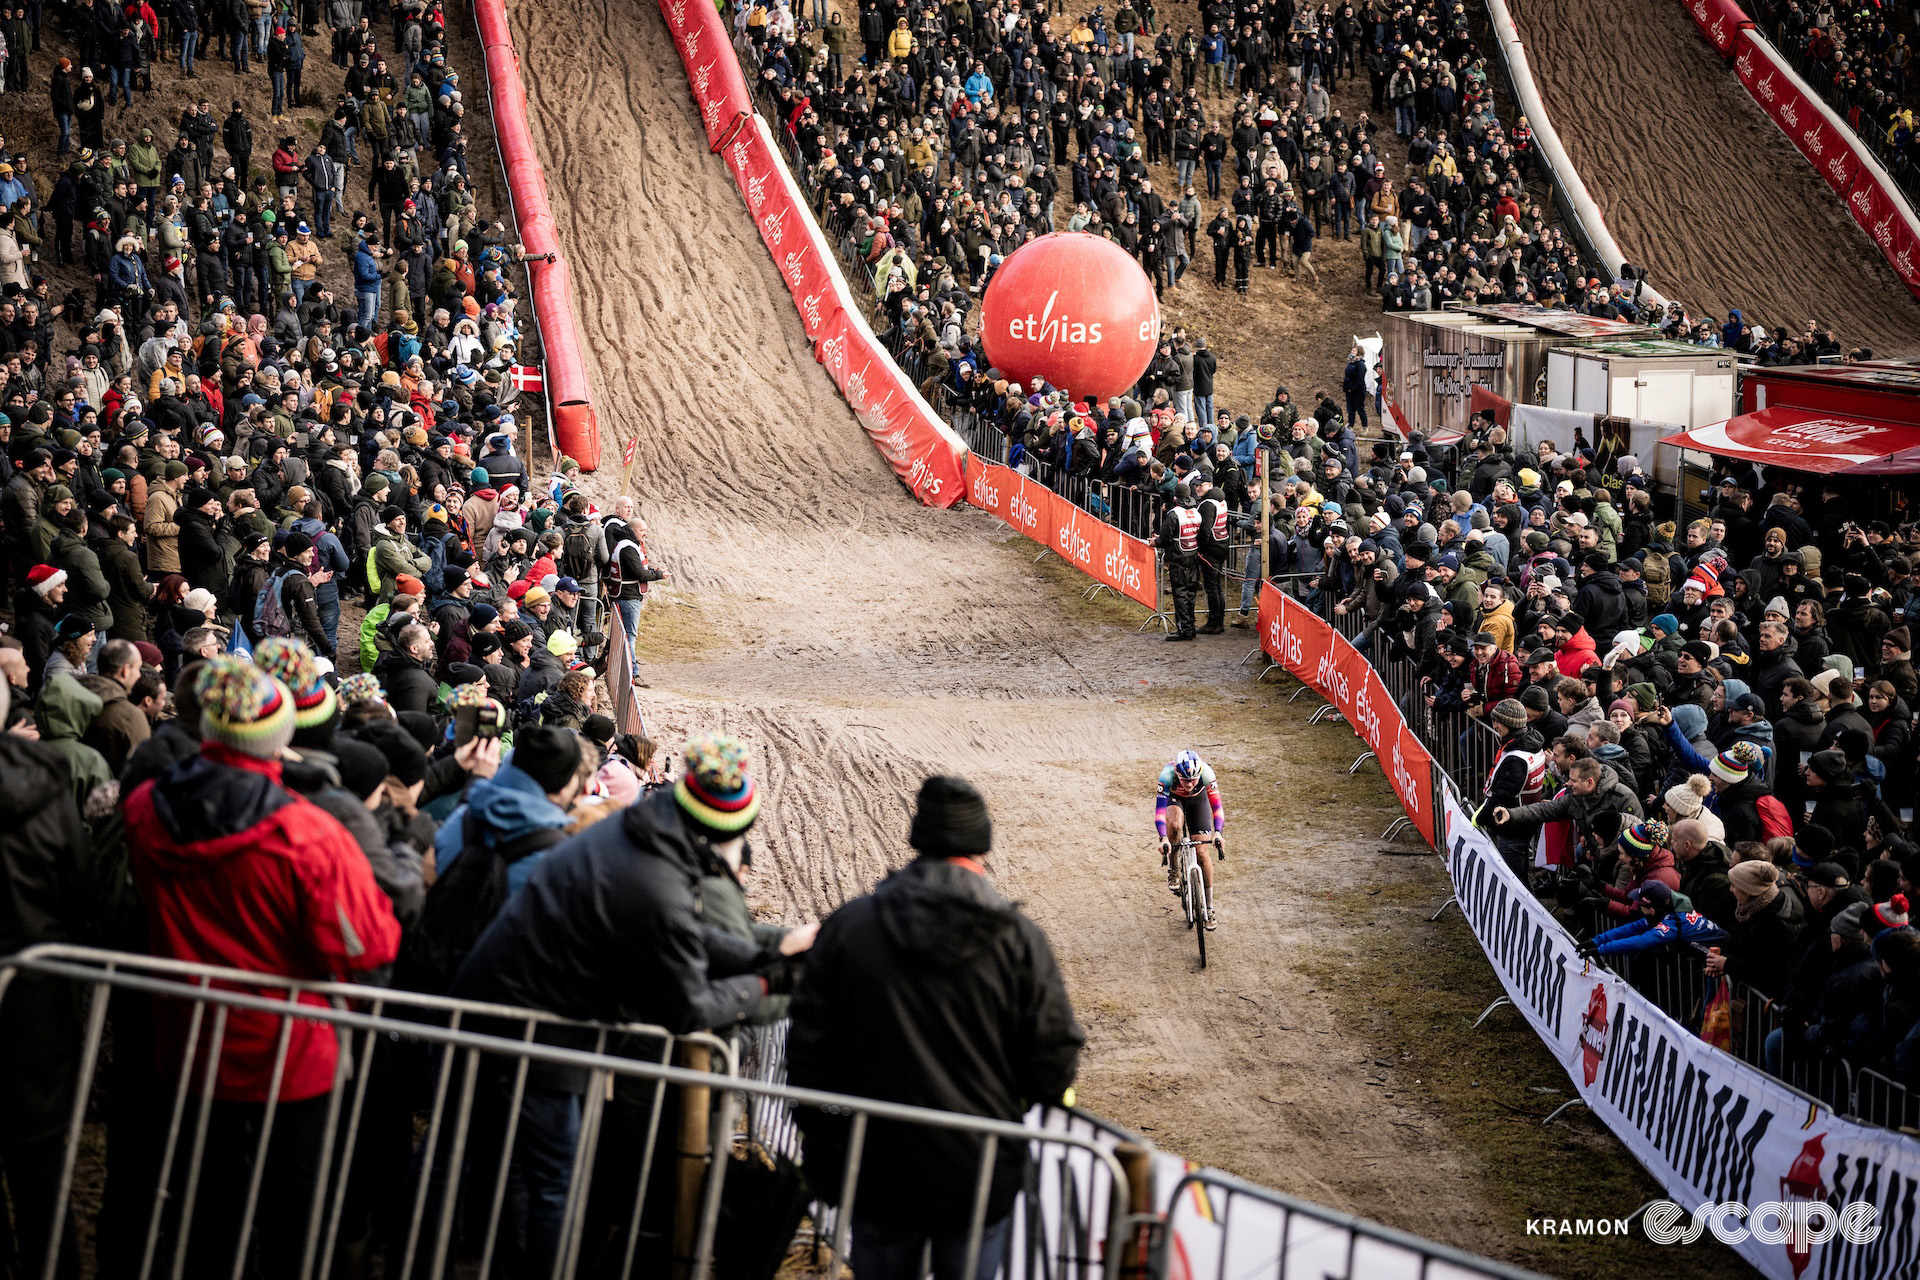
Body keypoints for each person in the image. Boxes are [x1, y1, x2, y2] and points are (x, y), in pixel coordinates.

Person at [121, 656, 400, 1278]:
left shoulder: (144, 807)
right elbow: (368, 946)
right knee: (293, 1220)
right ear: (282, 736)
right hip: (292, 1055)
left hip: (187, 1040)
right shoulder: (308, 833)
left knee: (205, 1211)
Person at [789, 775, 1084, 1280]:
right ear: (981, 848)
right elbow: (1053, 1059)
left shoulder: (850, 927)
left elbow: (808, 1049)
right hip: (978, 1167)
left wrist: (824, 1143)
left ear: (918, 839)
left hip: (877, 1163)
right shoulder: (1019, 941)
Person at [1155, 749, 1224, 928]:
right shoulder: (1167, 775)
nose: (1190, 783)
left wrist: (1218, 833)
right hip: (1175, 799)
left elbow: (1217, 807)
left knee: (1202, 853)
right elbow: (1160, 812)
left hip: (1197, 802)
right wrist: (1163, 838)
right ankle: (1174, 868)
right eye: (1185, 779)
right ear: (1178, 774)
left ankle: (1209, 908)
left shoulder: (1207, 774)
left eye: (1194, 779)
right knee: (1176, 825)